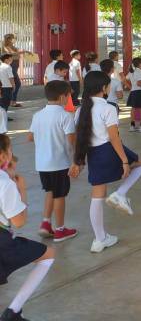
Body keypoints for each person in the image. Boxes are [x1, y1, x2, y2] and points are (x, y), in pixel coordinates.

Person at [74, 71, 141, 253]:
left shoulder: (80, 109)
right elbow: (114, 137)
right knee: (140, 164)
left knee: (97, 195)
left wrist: (78, 161)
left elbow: (80, 138)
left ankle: (99, 240)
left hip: (93, 153)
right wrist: (124, 160)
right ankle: (120, 194)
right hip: (108, 149)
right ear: (104, 88)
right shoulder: (107, 108)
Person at [0, 134, 56, 321]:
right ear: (3, 157)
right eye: (10, 150)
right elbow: (19, 221)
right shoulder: (5, 184)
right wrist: (21, 189)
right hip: (2, 242)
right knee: (48, 254)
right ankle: (13, 311)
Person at [28, 81, 79, 243]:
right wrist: (76, 161)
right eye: (69, 95)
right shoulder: (65, 116)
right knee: (60, 195)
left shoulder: (38, 115)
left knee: (50, 191)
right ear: (63, 96)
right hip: (59, 163)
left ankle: (46, 223)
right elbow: (71, 141)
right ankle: (60, 230)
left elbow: (30, 137)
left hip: (42, 164)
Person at [1, 34, 25, 108]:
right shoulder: (5, 47)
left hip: (15, 65)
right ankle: (11, 101)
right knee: (17, 83)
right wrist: (21, 52)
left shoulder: (13, 47)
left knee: (15, 84)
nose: (14, 40)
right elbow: (11, 54)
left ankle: (12, 101)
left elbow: (17, 53)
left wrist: (21, 52)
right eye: (12, 39)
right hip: (10, 66)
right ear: (8, 39)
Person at [126, 57, 141, 133]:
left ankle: (132, 126)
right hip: (139, 92)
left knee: (133, 109)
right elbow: (139, 83)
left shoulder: (131, 71)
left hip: (133, 92)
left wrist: (130, 86)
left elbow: (126, 79)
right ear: (140, 64)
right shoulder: (139, 72)